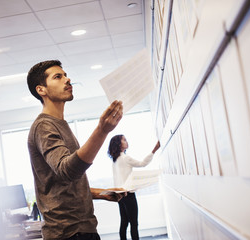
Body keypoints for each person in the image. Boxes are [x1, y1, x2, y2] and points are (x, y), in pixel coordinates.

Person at [27, 60, 125, 240]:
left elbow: (64, 183)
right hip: (68, 233)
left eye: (65, 75)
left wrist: (101, 193)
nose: (67, 79)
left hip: (82, 229)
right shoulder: (43, 126)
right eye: (58, 77)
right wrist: (102, 130)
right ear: (41, 90)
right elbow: (68, 171)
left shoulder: (59, 124)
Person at [108, 135, 160, 240]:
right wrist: (154, 150)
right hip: (128, 194)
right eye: (124, 140)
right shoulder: (125, 158)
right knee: (134, 223)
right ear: (119, 144)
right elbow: (142, 164)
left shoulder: (115, 159)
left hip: (119, 195)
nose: (127, 141)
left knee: (124, 222)